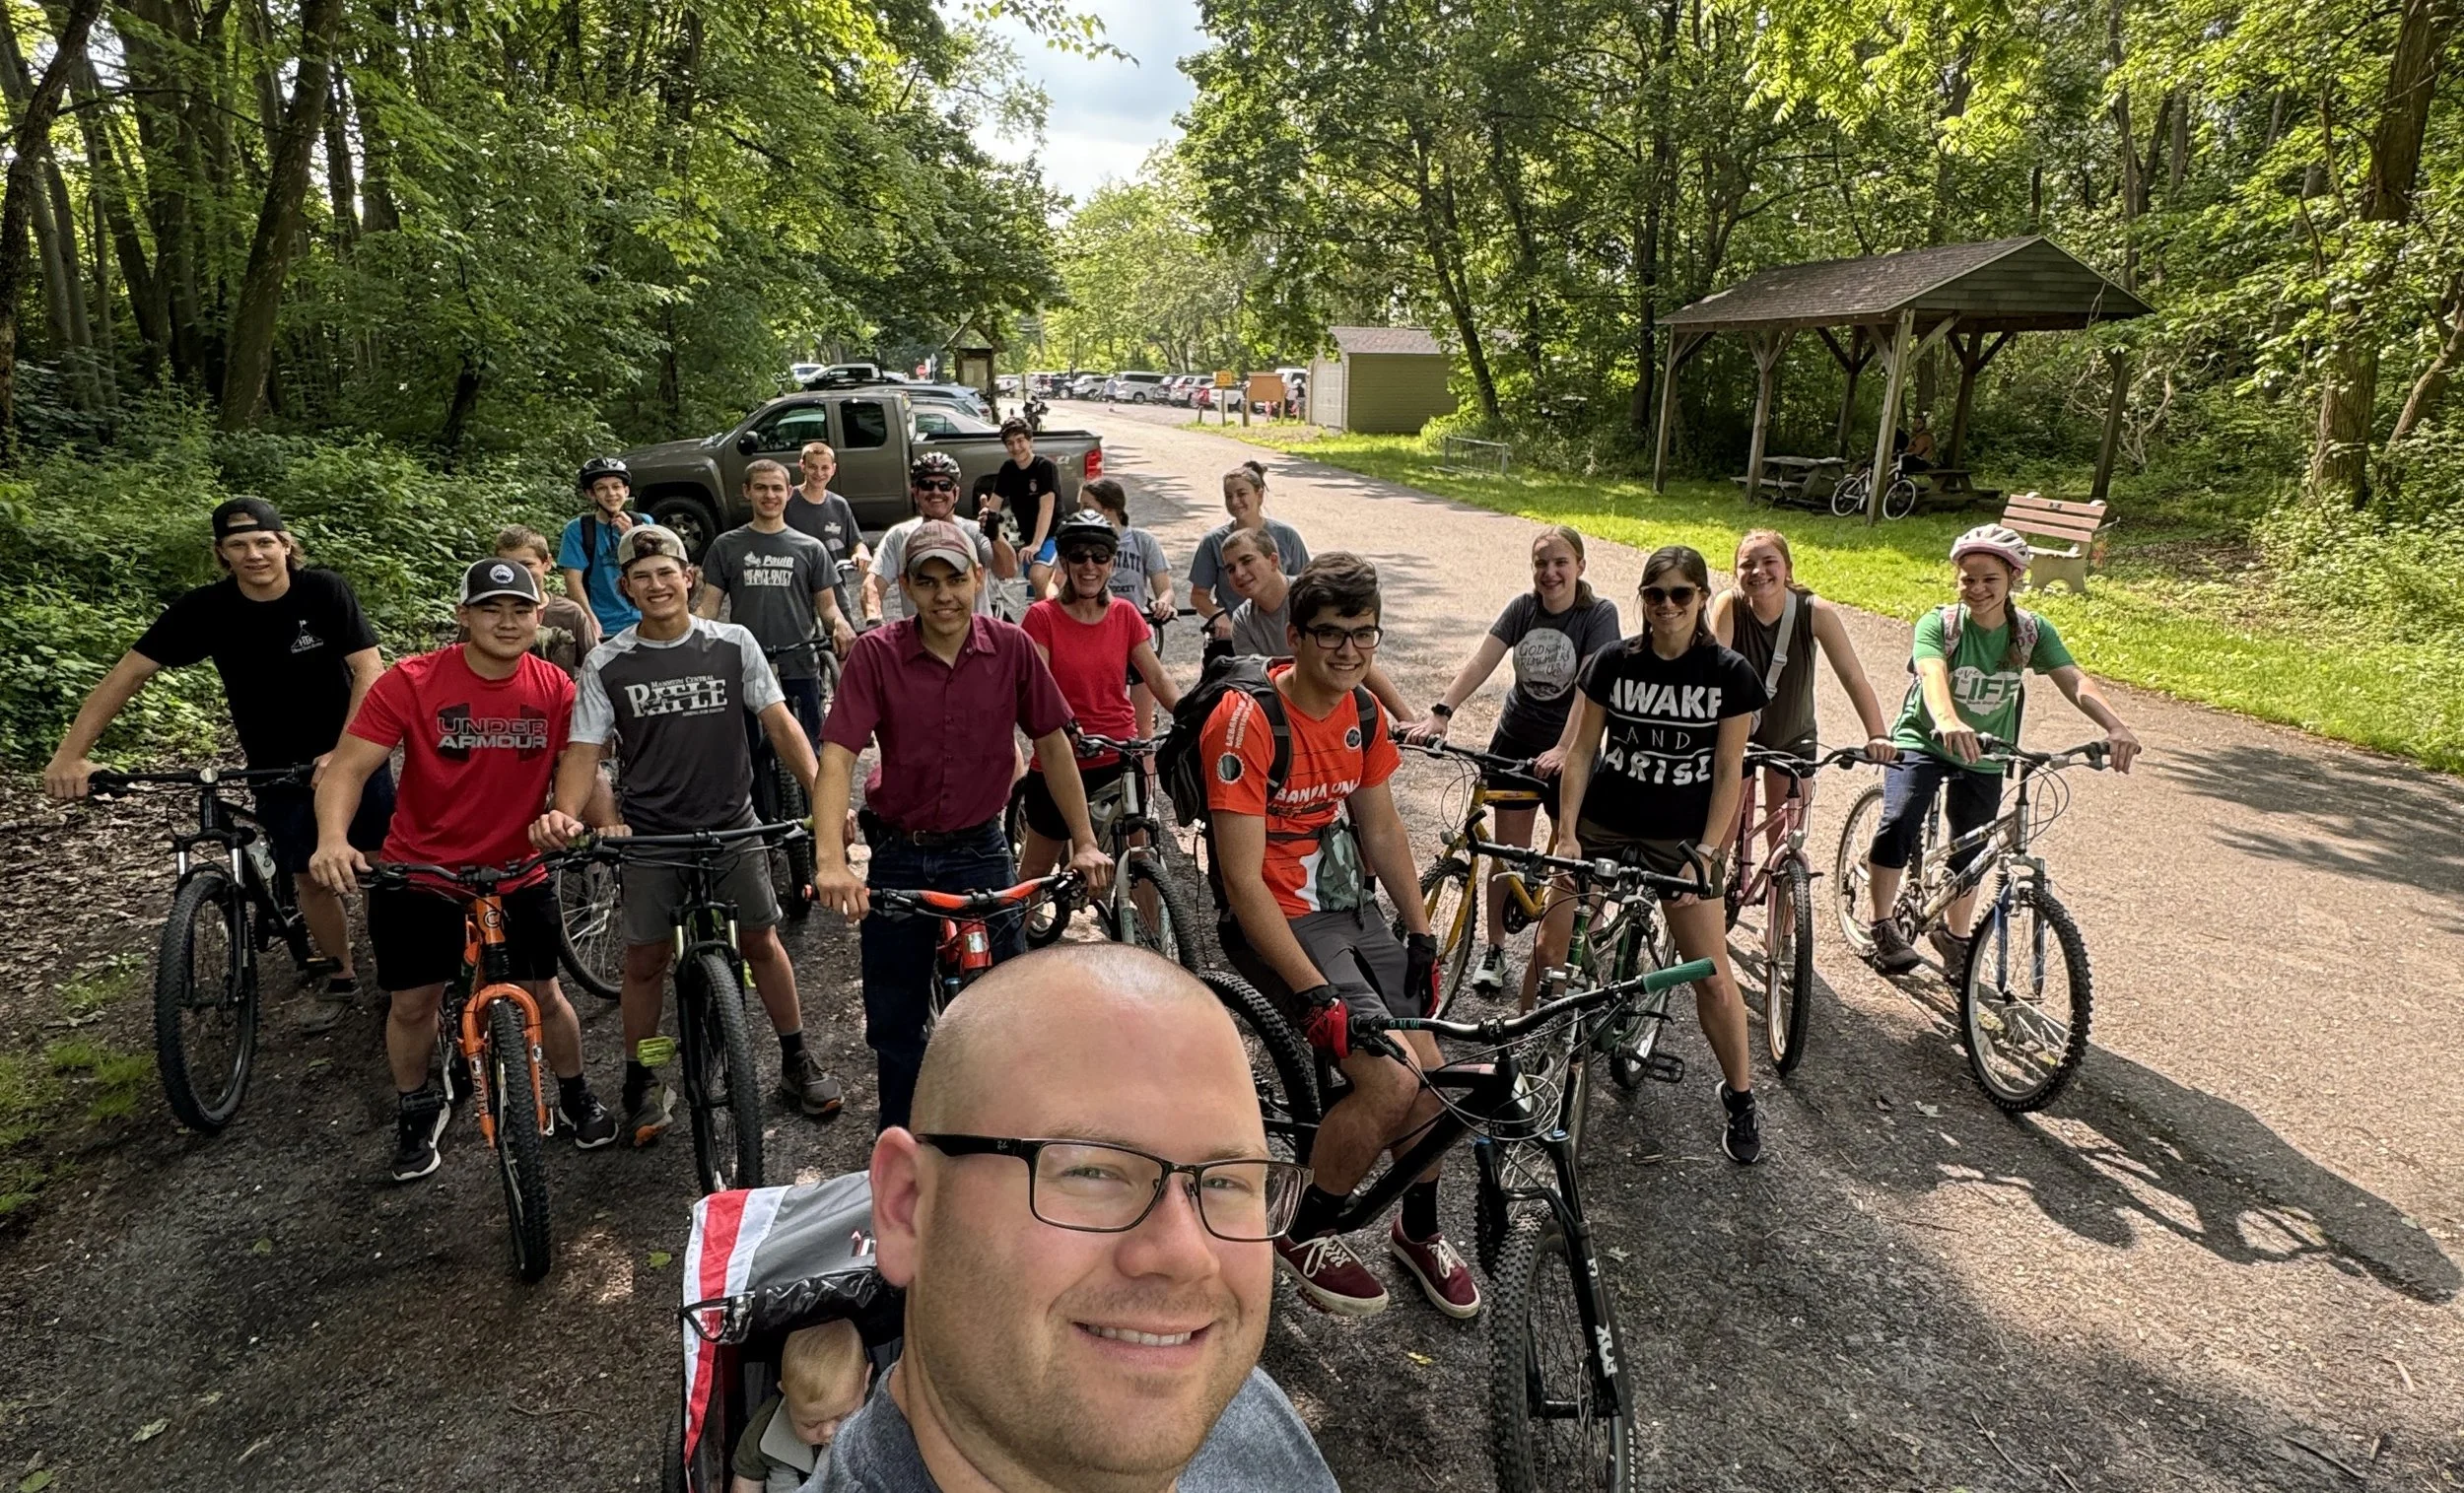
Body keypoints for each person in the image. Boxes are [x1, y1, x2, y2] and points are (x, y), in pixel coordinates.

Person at [831, 944, 1339, 1492]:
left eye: (1224, 1181)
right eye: (1091, 1172)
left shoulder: (1240, 1403)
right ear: (908, 1207)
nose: (1187, 1255)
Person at [1203, 554, 1475, 1320]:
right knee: (1389, 1080)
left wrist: (1420, 931)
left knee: (1435, 1074)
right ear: (1295, 636)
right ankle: (1303, 1226)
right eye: (1330, 633)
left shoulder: (1362, 712)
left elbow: (1382, 829)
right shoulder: (1248, 722)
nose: (1349, 650)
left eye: (1364, 634)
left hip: (1347, 903)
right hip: (1277, 917)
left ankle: (1416, 1229)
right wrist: (1317, 994)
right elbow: (1243, 882)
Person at [531, 523, 844, 1140]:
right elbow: (584, 749)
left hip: (732, 823)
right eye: (641, 577)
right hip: (653, 833)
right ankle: (642, 1077)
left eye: (666, 573)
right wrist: (566, 812)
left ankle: (796, 1058)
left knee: (761, 941)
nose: (656, 585)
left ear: (688, 577)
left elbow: (780, 724)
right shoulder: (607, 662)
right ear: (626, 587)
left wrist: (821, 796)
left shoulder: (732, 642)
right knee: (645, 959)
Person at [309, 559, 617, 1180]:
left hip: (516, 869)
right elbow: (348, 769)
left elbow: (582, 767)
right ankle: (415, 1104)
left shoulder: (556, 688)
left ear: (539, 617)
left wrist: (594, 822)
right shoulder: (412, 680)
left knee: (545, 992)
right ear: (463, 616)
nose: (506, 622)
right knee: (413, 1003)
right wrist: (333, 839)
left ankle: (576, 1092)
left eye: (520, 609)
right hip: (420, 872)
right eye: (490, 609)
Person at [43, 498, 391, 1032]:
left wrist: (345, 754)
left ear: (286, 545)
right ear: (222, 554)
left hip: (350, 748)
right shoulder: (206, 608)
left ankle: (398, 971)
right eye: (238, 545)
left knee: (376, 864)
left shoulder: (323, 591)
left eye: (264, 542)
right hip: (273, 762)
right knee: (309, 875)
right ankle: (341, 974)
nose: (254, 554)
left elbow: (369, 671)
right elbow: (126, 676)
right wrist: (70, 754)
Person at [811, 519, 1113, 1132]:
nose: (943, 595)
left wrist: (1083, 842)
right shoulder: (877, 653)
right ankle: (902, 1149)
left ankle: (1011, 1139)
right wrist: (831, 864)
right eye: (927, 582)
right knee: (897, 1025)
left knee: (1007, 1009)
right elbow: (838, 756)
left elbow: (1052, 745)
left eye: (954, 579)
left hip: (980, 846)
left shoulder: (1010, 647)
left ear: (977, 578)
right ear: (905, 586)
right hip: (901, 850)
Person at [1545, 545, 1769, 1164]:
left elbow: (1729, 772)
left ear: (1701, 599)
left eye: (1680, 594)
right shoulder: (1612, 662)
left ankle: (1741, 1097)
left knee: (1712, 977)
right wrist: (1566, 833)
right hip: (1605, 821)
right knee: (1551, 951)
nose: (1667, 605)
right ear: (1642, 598)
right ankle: (1526, 1064)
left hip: (1681, 835)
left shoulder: (1728, 674)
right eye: (1655, 594)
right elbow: (1582, 752)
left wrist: (1707, 852)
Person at [1862, 524, 2141, 973]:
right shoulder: (1940, 624)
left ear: (2014, 578)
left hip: (1987, 751)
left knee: (1971, 850)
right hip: (1924, 738)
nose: (1976, 588)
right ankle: (1881, 923)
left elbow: (2074, 680)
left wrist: (2115, 726)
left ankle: (1954, 937)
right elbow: (1931, 673)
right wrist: (1947, 720)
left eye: (1989, 579)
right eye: (1967, 579)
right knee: (1899, 821)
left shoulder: (2030, 632)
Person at [1402, 525, 1622, 996]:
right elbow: (1482, 661)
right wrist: (1441, 712)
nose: (1550, 572)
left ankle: (1574, 944)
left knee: (1570, 857)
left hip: (1570, 749)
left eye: (1560, 562)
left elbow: (1589, 690)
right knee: (1505, 853)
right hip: (1516, 741)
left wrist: (1565, 748)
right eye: (1541, 563)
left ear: (1580, 566)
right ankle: (1495, 949)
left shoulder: (1598, 615)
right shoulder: (1523, 608)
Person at [1014, 511, 1182, 909]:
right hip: (1062, 758)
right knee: (1035, 871)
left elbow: (1157, 679)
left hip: (1119, 757)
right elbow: (1037, 688)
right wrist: (1066, 723)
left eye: (1100, 556)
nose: (1089, 565)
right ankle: (1011, 945)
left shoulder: (1125, 614)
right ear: (1065, 562)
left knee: (1141, 858)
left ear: (1112, 562)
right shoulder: (1042, 618)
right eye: (1079, 556)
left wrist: (1192, 716)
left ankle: (1160, 941)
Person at [1708, 528, 1897, 860]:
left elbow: (1853, 676)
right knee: (1719, 839)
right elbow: (1713, 672)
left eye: (1769, 562)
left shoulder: (1814, 611)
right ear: (1735, 572)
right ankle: (1719, 888)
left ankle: (1783, 891)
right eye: (1747, 564)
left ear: (1788, 568)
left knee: (1785, 843)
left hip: (1793, 735)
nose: (1758, 571)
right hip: (1736, 735)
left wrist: (1877, 734)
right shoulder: (1730, 605)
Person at [697, 458, 856, 746]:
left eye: (776, 488)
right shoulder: (726, 545)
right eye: (761, 488)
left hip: (799, 659)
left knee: (809, 746)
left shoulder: (811, 548)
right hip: (746, 661)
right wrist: (690, 632)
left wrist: (840, 624)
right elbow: (709, 605)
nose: (769, 495)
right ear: (747, 491)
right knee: (749, 749)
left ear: (789, 492)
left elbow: (828, 606)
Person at [1214, 528, 1412, 719]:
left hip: (1343, 705)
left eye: (1247, 561)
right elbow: (1256, 679)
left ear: (1273, 560)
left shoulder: (1311, 598)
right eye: (1230, 569)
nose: (1239, 573)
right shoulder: (1243, 620)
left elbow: (1357, 658)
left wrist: (1406, 719)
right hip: (1289, 711)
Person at [863, 453, 1017, 626]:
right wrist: (874, 619)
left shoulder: (975, 531)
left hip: (975, 635)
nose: (936, 492)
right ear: (915, 493)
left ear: (956, 493)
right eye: (927, 485)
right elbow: (872, 585)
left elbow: (1007, 571)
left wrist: (995, 536)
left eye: (945, 486)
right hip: (922, 638)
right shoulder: (899, 536)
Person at [1080, 477, 1177, 738]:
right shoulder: (1083, 543)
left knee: (1143, 724)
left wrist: (1163, 603)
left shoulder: (1142, 541)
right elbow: (1057, 583)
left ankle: (1145, 762)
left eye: (1087, 506)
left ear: (1108, 509)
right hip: (1098, 633)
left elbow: (1165, 589)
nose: (1080, 512)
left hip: (1137, 633)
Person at [732, 1319, 872, 1493]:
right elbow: (746, 1482)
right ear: (786, 1394)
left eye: (844, 1417)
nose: (828, 1432)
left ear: (865, 1381)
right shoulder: (766, 1424)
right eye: (811, 1424)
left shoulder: (882, 1412)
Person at [1185, 461, 1308, 618]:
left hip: (1281, 626)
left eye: (1241, 494)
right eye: (1229, 496)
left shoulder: (1287, 536)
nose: (1235, 501)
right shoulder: (1213, 541)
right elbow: (1198, 596)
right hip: (1232, 627)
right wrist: (1218, 616)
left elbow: (1305, 586)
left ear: (1259, 495)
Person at [491, 525, 600, 674]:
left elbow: (597, 666)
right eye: (509, 566)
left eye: (527, 565)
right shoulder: (484, 612)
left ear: (547, 563)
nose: (519, 572)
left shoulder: (570, 613)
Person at [787, 441, 871, 625]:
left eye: (825, 468)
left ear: (833, 469)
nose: (819, 473)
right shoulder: (787, 501)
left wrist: (861, 553)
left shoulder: (839, 505)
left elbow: (856, 541)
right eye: (813, 467)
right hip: (797, 587)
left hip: (834, 586)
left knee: (845, 632)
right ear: (802, 466)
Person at [558, 455, 642, 638]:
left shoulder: (643, 522)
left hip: (644, 622)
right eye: (602, 488)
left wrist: (631, 536)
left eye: (616, 487)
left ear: (626, 491)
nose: (611, 494)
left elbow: (654, 567)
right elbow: (573, 580)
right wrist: (589, 620)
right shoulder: (579, 529)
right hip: (603, 627)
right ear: (591, 494)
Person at [992, 417, 1062, 593]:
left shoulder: (1045, 467)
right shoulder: (1008, 469)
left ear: (1031, 441)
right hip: (1029, 539)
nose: (1016, 447)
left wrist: (1037, 544)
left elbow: (1047, 507)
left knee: (1037, 576)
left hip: (1053, 536)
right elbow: (993, 506)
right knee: (1032, 590)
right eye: (1010, 443)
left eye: (1020, 440)